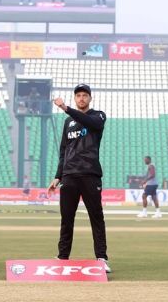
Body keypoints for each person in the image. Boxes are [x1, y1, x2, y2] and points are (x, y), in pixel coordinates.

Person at [47, 83, 110, 273]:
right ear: (75, 98)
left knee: (96, 217)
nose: (81, 98)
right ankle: (62, 257)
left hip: (90, 174)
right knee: (67, 219)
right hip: (70, 176)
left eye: (84, 95)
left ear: (90, 98)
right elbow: (63, 151)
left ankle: (101, 258)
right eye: (78, 96)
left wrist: (66, 108)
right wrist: (58, 177)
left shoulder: (98, 115)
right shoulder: (68, 122)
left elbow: (92, 124)